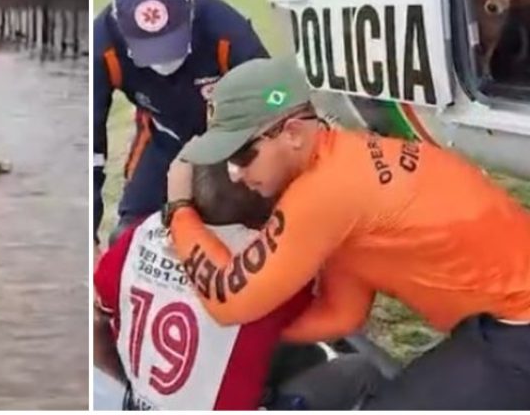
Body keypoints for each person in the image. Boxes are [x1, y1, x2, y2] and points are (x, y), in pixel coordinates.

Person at [165, 55, 530, 409]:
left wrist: (178, 211)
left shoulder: (323, 194)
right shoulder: (342, 161)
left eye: (242, 155)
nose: (234, 174)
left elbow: (228, 299)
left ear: (292, 133)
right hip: (505, 320)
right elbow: (343, 314)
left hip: (516, 327)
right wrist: (254, 334)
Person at [93, 161, 382, 410]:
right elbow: (337, 317)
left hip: (144, 396)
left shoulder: (140, 235)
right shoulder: (270, 268)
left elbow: (98, 325)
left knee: (283, 348)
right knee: (360, 370)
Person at [93, 0, 268, 250]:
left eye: (172, 44)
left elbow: (275, 96)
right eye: (150, 50)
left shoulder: (224, 26)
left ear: (189, 14)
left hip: (230, 137)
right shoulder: (103, 44)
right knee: (127, 237)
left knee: (250, 229)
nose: (164, 60)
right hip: (163, 135)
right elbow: (92, 149)